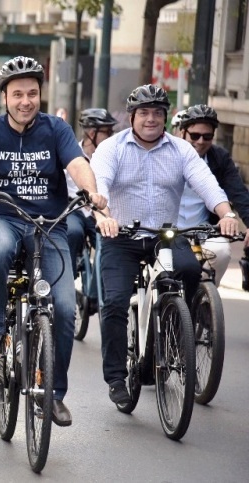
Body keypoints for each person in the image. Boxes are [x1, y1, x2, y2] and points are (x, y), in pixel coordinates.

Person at [0, 56, 108, 427]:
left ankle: (53, 394)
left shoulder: (56, 129)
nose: (25, 101)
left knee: (65, 308)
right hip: (1, 216)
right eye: (17, 94)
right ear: (5, 97)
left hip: (48, 224)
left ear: (40, 94)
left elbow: (77, 164)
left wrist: (90, 190)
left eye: (32, 93)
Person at [90, 85, 236, 407]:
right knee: (114, 303)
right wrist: (104, 216)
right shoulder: (112, 148)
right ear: (131, 117)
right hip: (121, 236)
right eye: (144, 113)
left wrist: (226, 214)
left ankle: (175, 335)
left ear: (166, 118)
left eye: (158, 113)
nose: (151, 119)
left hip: (165, 236)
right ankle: (116, 377)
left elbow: (207, 184)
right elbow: (99, 186)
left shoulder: (181, 150)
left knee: (189, 270)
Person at [175, 104, 249, 285]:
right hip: (167, 230)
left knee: (222, 252)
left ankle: (205, 295)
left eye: (207, 136)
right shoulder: (168, 154)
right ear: (182, 132)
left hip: (204, 231)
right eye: (195, 136)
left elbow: (238, 192)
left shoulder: (219, 158)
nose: (201, 141)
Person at [66, 108, 117, 279]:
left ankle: (105, 282)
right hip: (74, 210)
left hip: (101, 210)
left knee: (109, 239)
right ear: (92, 133)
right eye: (107, 132)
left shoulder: (111, 156)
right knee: (72, 232)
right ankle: (68, 277)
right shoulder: (71, 154)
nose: (111, 136)